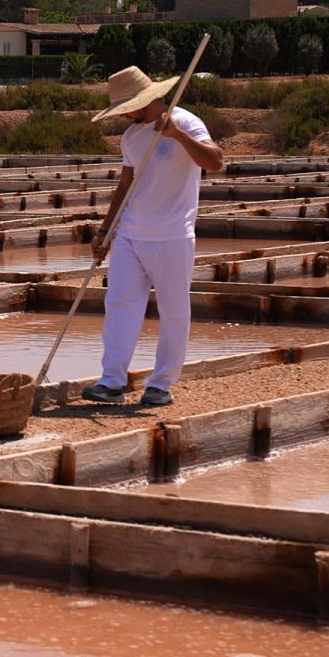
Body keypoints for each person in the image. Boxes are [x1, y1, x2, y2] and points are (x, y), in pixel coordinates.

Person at [82, 66, 225, 406]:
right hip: (131, 235)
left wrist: (176, 135)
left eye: (126, 108)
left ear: (143, 101)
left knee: (174, 311)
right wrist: (106, 230)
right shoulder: (131, 137)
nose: (124, 115)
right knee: (119, 305)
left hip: (173, 235)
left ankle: (160, 384)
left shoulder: (186, 122)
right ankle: (112, 381)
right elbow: (125, 185)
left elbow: (215, 161)